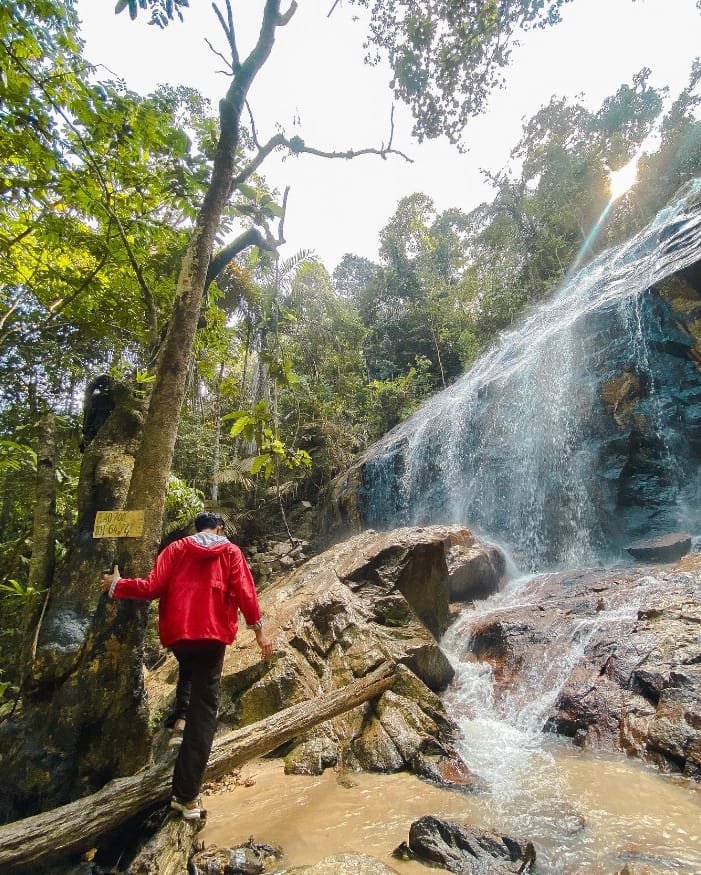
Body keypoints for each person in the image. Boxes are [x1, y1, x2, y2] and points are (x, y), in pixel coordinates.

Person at [101, 511, 273, 820]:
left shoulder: (176, 549)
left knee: (188, 666)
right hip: (212, 635)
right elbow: (246, 593)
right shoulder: (230, 551)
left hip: (178, 634)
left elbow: (152, 587)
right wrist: (259, 632)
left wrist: (117, 585)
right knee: (205, 711)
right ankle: (186, 796)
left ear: (196, 529)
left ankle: (179, 721)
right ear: (219, 529)